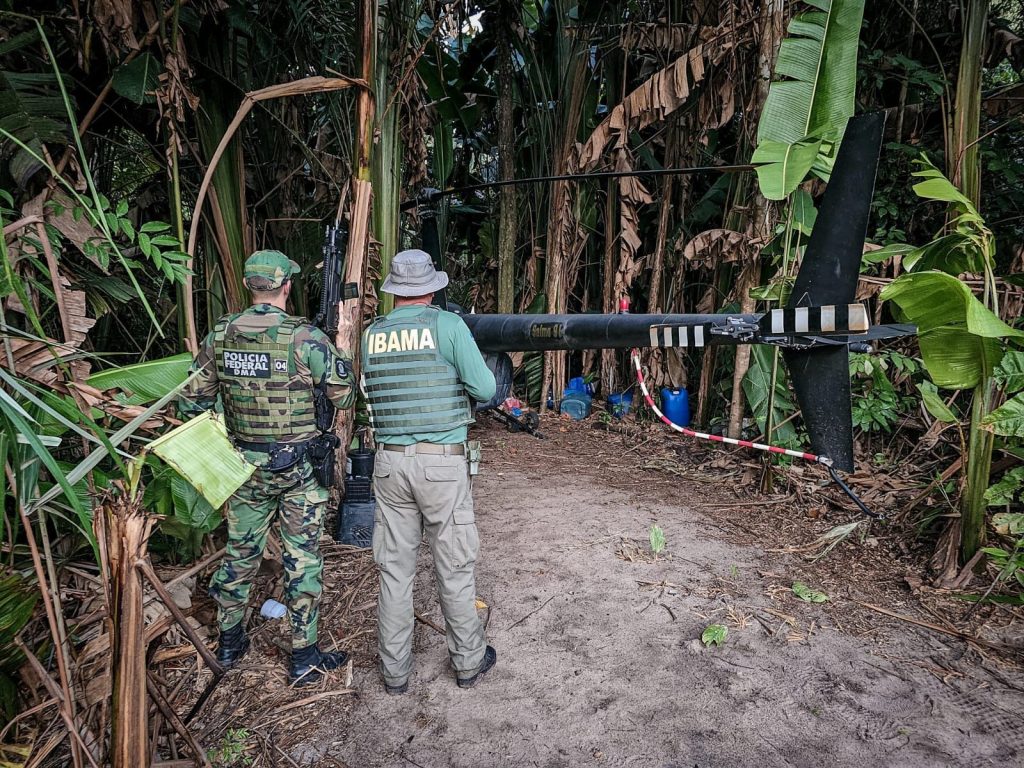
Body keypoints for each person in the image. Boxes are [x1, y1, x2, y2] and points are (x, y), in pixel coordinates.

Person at [180, 249, 355, 686]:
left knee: (240, 553)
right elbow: (343, 395)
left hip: (243, 468)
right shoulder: (304, 337)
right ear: (286, 287)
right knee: (303, 559)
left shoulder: (220, 335)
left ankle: (230, 643)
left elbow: (193, 401)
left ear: (248, 285)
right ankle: (303, 655)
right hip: (299, 471)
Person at [361, 249, 497, 694]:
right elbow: (486, 387)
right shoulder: (448, 325)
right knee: (454, 566)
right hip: (441, 463)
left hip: (389, 464)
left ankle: (395, 674)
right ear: (432, 288)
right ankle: (467, 663)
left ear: (395, 292)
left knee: (395, 571)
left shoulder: (371, 334)